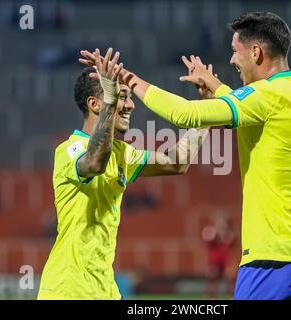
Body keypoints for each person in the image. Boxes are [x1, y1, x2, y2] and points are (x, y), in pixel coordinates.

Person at [80, 12, 291, 300]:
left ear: (256, 52)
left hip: (277, 259)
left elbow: (185, 114)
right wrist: (216, 87)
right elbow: (256, 107)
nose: (231, 60)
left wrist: (128, 79)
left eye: (234, 51)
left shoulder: (267, 97)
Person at [38, 48, 209, 300]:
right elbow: (94, 163)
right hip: (68, 289)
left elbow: (178, 162)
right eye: (121, 96)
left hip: (104, 289)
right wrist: (111, 100)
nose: (130, 105)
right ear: (96, 104)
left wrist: (205, 109)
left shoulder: (122, 153)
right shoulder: (69, 150)